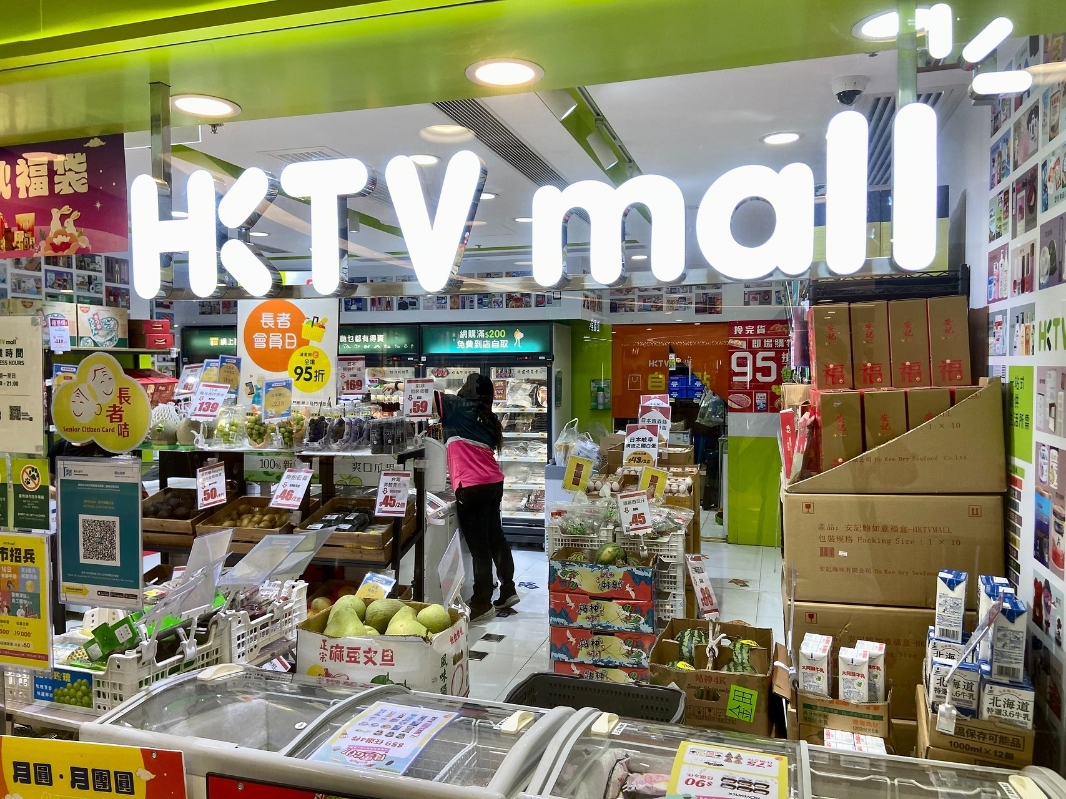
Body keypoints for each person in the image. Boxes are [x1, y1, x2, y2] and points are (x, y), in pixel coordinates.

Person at [434, 373, 517, 622]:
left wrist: (396, 385)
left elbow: (423, 395)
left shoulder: (455, 407)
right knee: (496, 539)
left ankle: (482, 602)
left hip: (471, 488)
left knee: (479, 549)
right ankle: (508, 590)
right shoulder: (491, 418)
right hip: (493, 484)